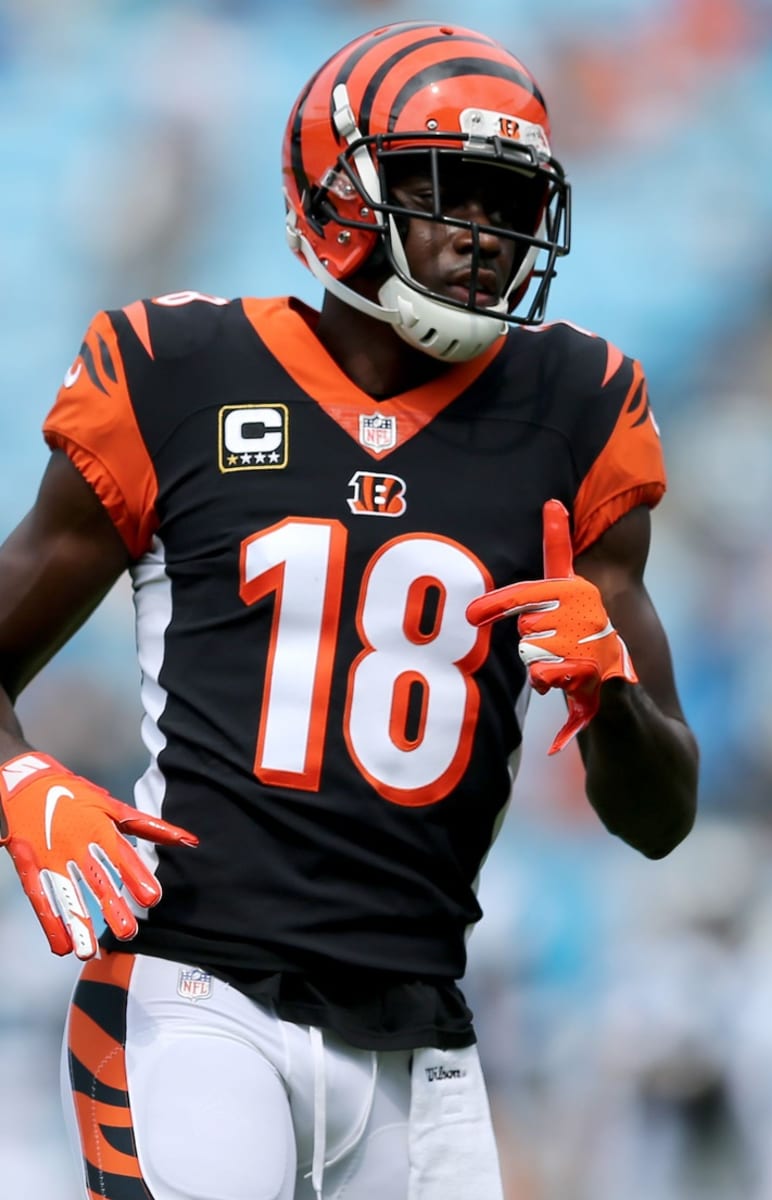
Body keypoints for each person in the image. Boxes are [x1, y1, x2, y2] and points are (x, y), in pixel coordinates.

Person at [0, 21, 698, 1200]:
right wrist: (20, 779)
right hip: (196, 994)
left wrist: (611, 696)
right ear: (338, 191)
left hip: (420, 1040)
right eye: (451, 190)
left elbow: (661, 815)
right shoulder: (176, 371)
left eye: (511, 199)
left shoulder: (576, 410)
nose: (489, 234)